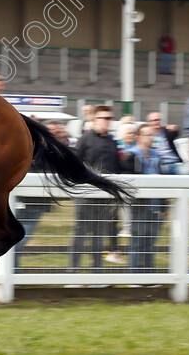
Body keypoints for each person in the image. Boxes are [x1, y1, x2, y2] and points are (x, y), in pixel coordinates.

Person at [69, 105, 121, 272]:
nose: (107, 121)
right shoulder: (85, 139)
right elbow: (74, 163)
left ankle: (96, 272)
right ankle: (72, 272)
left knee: (99, 236)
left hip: (104, 197)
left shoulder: (113, 142)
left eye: (110, 118)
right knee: (81, 234)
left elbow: (116, 168)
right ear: (94, 119)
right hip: (85, 195)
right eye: (104, 118)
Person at [121, 123, 167, 275]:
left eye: (152, 135)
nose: (151, 138)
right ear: (139, 137)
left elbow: (165, 183)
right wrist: (149, 178)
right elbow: (130, 181)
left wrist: (165, 207)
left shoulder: (156, 156)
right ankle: (134, 276)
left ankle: (149, 276)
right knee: (138, 242)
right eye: (148, 135)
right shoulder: (131, 155)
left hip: (155, 206)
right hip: (140, 207)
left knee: (150, 244)